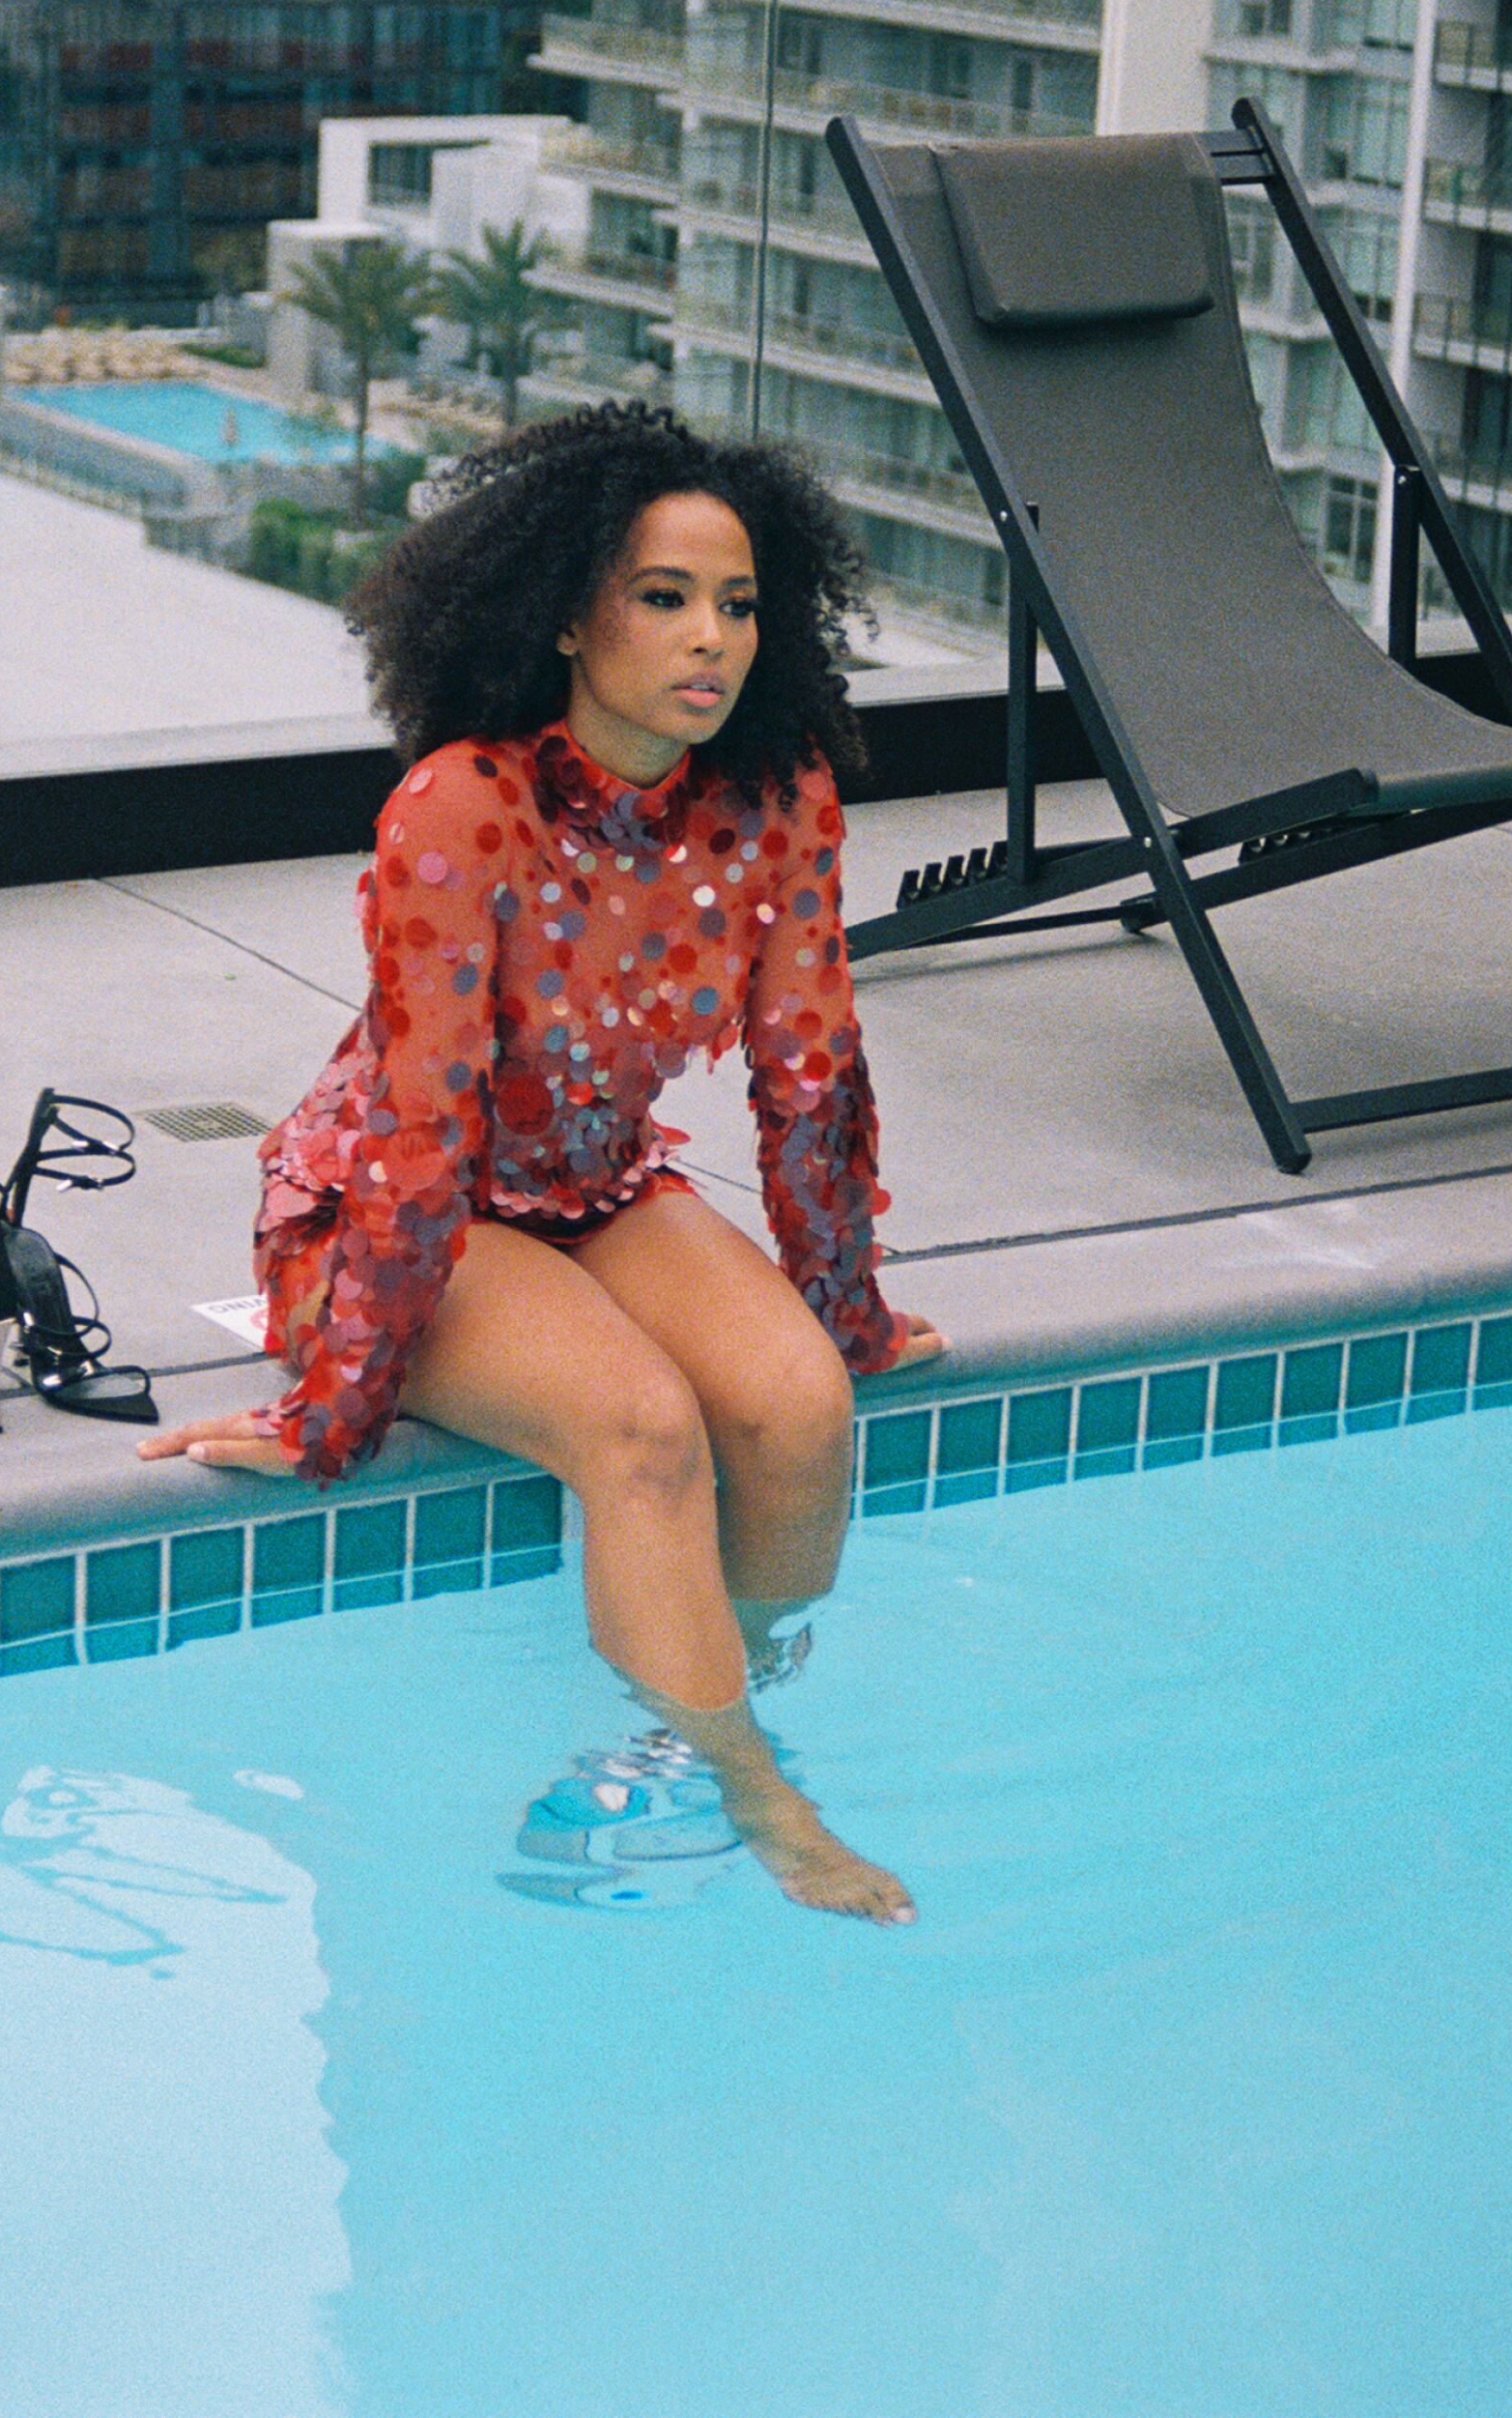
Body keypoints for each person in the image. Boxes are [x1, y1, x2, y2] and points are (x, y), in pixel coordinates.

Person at [143, 404, 942, 1923]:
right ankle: (763, 1800)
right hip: (384, 1209)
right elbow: (424, 1132)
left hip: (593, 1185)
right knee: (641, 1427)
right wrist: (331, 1409)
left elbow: (814, 1076)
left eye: (739, 602)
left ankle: (685, 1729)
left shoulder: (778, 802)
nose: (712, 637)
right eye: (664, 597)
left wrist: (848, 1310)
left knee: (797, 1407)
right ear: (570, 617)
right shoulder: (462, 807)